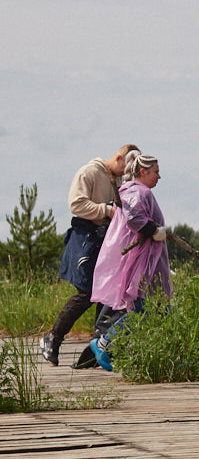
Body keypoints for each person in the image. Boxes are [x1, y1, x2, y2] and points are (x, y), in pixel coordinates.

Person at [41, 143, 139, 366]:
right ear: (119, 158)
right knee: (86, 293)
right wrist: (106, 210)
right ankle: (53, 338)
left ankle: (95, 352)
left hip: (105, 241)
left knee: (107, 294)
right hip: (84, 239)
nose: (127, 173)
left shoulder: (117, 180)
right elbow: (76, 204)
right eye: (126, 167)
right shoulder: (89, 172)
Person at [87, 150, 172, 372]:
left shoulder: (137, 191)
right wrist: (154, 230)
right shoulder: (138, 192)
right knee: (144, 311)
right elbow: (135, 219)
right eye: (156, 172)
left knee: (160, 310)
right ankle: (104, 343)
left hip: (149, 262)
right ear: (143, 171)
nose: (159, 176)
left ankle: (167, 355)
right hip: (143, 265)